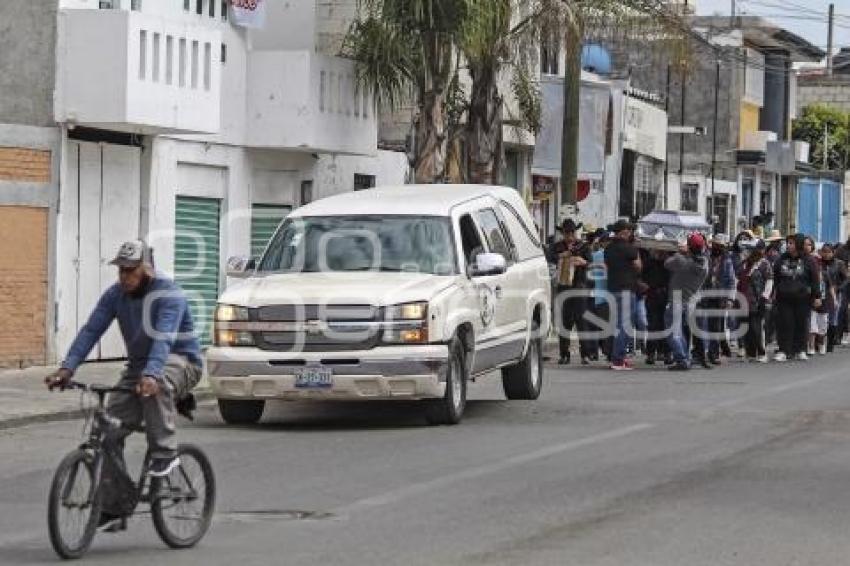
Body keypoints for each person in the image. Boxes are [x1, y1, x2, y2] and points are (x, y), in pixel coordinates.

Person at [45, 240, 203, 477]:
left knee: (155, 383)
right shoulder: (115, 295)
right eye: (121, 270)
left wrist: (151, 374)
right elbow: (91, 330)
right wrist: (67, 368)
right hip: (139, 367)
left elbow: (163, 339)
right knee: (108, 431)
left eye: (131, 270)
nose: (125, 277)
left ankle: (164, 453)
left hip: (180, 361)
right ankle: (114, 502)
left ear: (147, 268)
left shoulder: (169, 295)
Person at [547, 219, 593, 365]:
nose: (570, 235)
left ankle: (585, 354)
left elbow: (591, 263)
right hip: (563, 287)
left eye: (572, 232)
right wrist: (564, 255)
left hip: (579, 286)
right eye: (567, 232)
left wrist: (583, 262)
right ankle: (564, 354)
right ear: (563, 233)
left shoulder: (583, 246)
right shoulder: (557, 247)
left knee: (581, 320)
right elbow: (549, 258)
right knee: (564, 322)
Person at [772, 234, 822, 362]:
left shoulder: (809, 260)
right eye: (787, 243)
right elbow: (776, 277)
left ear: (798, 245)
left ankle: (800, 350)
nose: (788, 245)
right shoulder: (781, 259)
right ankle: (784, 350)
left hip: (802, 298)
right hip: (784, 298)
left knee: (801, 323)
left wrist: (817, 296)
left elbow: (815, 279)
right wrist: (776, 291)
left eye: (791, 243)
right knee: (785, 323)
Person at [665, 234, 709, 371]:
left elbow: (667, 263)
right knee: (679, 332)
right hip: (689, 301)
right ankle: (685, 357)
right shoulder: (704, 263)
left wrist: (679, 251)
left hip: (677, 300)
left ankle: (682, 359)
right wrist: (686, 252)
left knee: (672, 332)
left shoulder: (682, 261)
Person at [604, 219, 642, 371]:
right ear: (624, 232)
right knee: (625, 325)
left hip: (613, 288)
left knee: (618, 324)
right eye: (628, 231)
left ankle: (617, 356)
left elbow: (607, 267)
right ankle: (618, 359)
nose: (630, 234)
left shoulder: (608, 248)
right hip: (626, 289)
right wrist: (637, 249)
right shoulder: (629, 248)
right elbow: (638, 266)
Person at [737, 240, 773, 362]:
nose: (746, 252)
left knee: (756, 326)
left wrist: (764, 296)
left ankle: (762, 352)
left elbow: (769, 281)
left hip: (757, 300)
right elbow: (737, 280)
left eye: (749, 250)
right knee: (746, 327)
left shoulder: (764, 264)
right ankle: (751, 353)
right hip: (743, 299)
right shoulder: (744, 264)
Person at [705, 234, 736, 364]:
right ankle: (710, 350)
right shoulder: (707, 257)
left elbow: (731, 281)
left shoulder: (727, 261)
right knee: (707, 325)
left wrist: (730, 299)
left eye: (720, 245)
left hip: (720, 298)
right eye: (716, 244)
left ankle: (713, 353)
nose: (718, 247)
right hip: (706, 295)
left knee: (716, 326)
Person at [641, 248, 670, 365]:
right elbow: (642, 277)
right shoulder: (648, 262)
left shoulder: (669, 262)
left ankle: (665, 352)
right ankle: (651, 353)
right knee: (653, 325)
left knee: (665, 325)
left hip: (666, 294)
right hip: (652, 294)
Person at [819, 244, 848, 353]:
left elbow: (846, 279)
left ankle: (830, 343)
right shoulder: (819, 263)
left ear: (833, 252)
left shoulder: (839, 264)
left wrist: (838, 288)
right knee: (820, 317)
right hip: (820, 293)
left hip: (834, 294)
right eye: (824, 252)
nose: (826, 254)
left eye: (829, 252)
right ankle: (819, 343)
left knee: (832, 318)